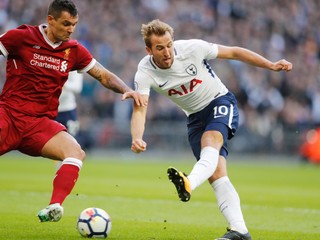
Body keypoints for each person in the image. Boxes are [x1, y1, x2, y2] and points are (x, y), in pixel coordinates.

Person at [130, 19, 292, 240]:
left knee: (211, 141)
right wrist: (137, 137)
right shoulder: (144, 71)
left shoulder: (192, 48)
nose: (167, 51)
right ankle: (240, 231)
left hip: (220, 101)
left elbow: (234, 52)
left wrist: (271, 65)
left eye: (169, 44)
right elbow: (140, 109)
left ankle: (189, 183)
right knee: (216, 174)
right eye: (160, 48)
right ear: (149, 50)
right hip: (194, 118)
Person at [0, 0, 146, 223]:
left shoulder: (73, 50)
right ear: (50, 20)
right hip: (9, 115)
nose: (70, 29)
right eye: (66, 23)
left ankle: (55, 205)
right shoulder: (21, 37)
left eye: (74, 25)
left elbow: (102, 74)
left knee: (76, 153)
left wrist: (127, 89)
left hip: (39, 124)